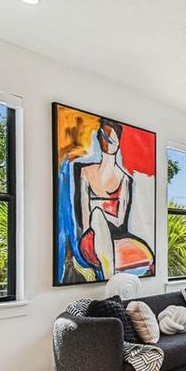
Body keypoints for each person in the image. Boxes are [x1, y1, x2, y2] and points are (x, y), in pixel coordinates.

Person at [74, 118, 153, 279]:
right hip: (91, 237)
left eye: (112, 139)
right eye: (104, 136)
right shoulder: (85, 173)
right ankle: (108, 268)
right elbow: (85, 219)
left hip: (116, 235)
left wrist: (102, 216)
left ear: (118, 143)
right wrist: (98, 218)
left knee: (147, 255)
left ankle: (108, 270)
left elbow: (120, 222)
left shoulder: (125, 180)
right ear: (99, 138)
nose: (108, 142)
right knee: (96, 216)